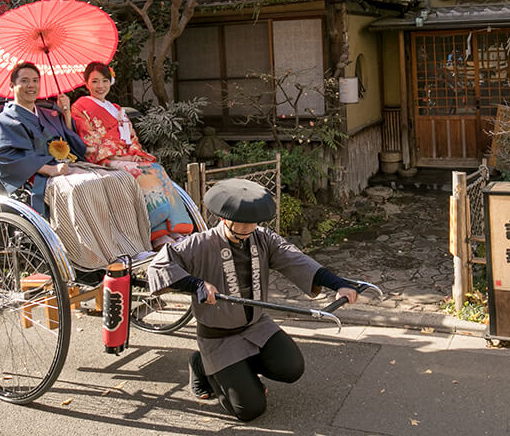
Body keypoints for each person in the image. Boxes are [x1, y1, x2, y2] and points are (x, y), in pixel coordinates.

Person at [147, 178, 360, 422]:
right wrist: (196, 284)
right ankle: (203, 365)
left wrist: (339, 284)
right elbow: (159, 266)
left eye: (253, 225)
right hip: (219, 337)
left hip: (257, 327)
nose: (248, 231)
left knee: (292, 368)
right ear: (225, 218)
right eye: (242, 226)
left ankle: (238, 372)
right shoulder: (200, 243)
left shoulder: (262, 238)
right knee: (250, 409)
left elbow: (296, 259)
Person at [0, 62, 152, 269]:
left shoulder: (47, 114)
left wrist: (66, 114)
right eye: (24, 81)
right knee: (82, 187)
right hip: (39, 178)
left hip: (70, 167)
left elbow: (75, 145)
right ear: (11, 86)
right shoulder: (3, 121)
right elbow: (7, 158)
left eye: (35, 81)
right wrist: (50, 169)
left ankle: (134, 248)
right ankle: (102, 257)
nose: (31, 86)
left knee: (121, 179)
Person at [70, 61, 194, 248]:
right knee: (140, 173)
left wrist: (134, 153)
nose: (100, 86)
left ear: (110, 82)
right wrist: (119, 157)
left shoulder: (117, 109)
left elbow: (131, 136)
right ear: (86, 83)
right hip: (106, 159)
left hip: (126, 157)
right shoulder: (80, 107)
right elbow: (89, 138)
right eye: (94, 81)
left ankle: (175, 228)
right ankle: (156, 233)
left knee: (156, 169)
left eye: (104, 80)